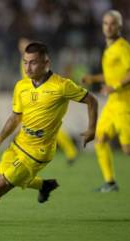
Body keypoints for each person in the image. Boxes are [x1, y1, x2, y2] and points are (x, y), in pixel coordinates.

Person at [0, 41, 97, 222]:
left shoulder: (61, 86)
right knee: (4, 176)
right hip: (19, 143)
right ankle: (44, 185)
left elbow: (92, 100)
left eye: (33, 62)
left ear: (46, 63)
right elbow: (15, 117)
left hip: (39, 151)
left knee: (0, 186)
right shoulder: (21, 86)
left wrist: (91, 129)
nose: (27, 67)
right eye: (25, 62)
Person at [82, 10, 130, 192]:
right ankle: (110, 182)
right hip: (113, 104)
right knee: (100, 139)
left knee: (129, 149)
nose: (109, 27)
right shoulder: (109, 49)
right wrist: (94, 79)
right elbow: (112, 74)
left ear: (120, 26)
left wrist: (114, 86)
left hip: (125, 104)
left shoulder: (123, 47)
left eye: (113, 23)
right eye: (106, 23)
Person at [19, 37, 78, 165]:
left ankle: (70, 151)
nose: (22, 47)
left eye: (24, 45)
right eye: (21, 45)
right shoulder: (24, 61)